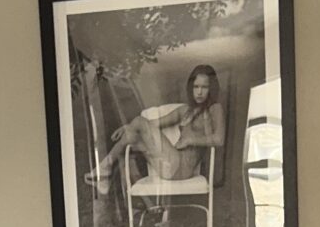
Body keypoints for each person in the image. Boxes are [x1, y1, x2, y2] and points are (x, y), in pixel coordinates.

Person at [85, 63, 226, 195]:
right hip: (169, 165)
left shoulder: (215, 108)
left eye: (204, 87)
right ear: (191, 88)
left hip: (182, 169)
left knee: (139, 123)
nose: (199, 92)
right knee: (131, 136)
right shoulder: (185, 110)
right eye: (196, 87)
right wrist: (129, 127)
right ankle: (106, 176)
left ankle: (105, 169)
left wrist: (190, 140)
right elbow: (154, 123)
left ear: (211, 88)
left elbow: (219, 139)